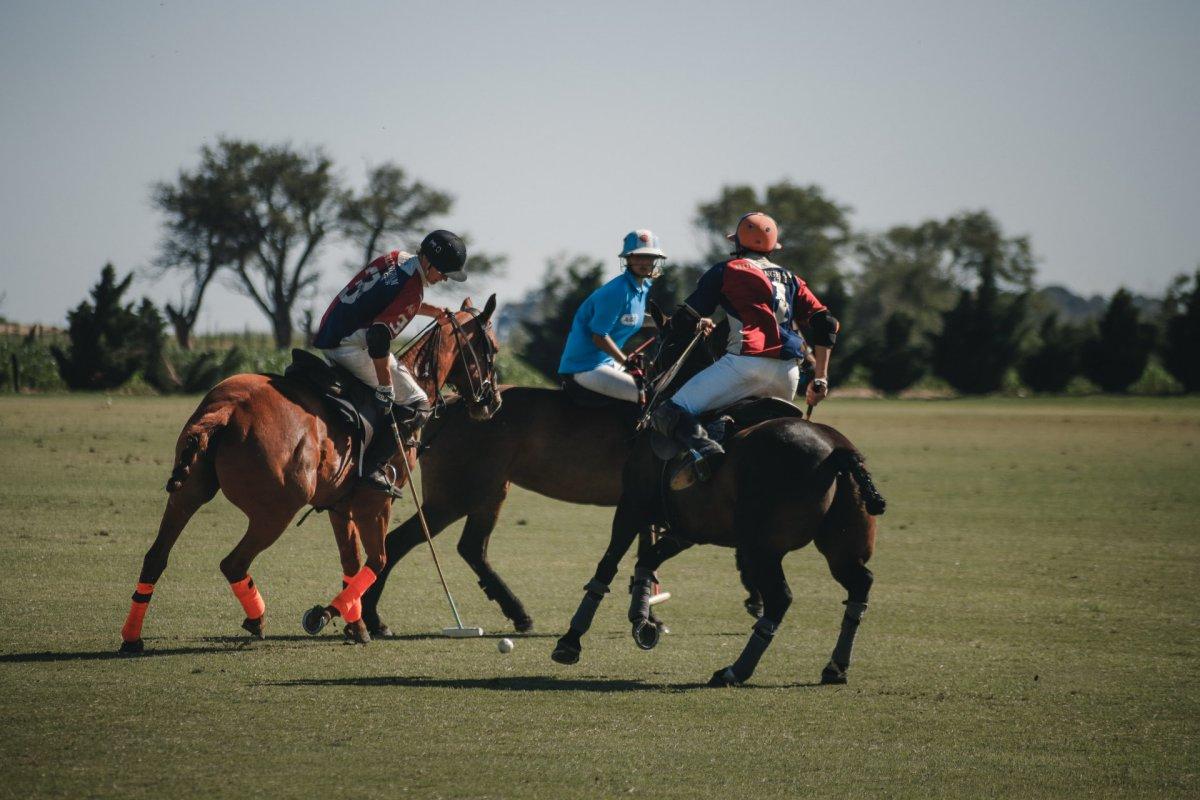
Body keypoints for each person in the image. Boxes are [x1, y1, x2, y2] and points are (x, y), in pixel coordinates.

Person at [651, 212, 839, 487]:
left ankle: (706, 451)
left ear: (738, 243)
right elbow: (827, 323)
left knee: (670, 411)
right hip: (788, 373)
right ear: (773, 246)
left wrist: (691, 323)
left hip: (744, 364)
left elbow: (686, 318)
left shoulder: (726, 270)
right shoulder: (791, 279)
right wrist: (820, 378)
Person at [312, 229, 468, 490]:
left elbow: (386, 297)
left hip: (331, 331)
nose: (444, 280)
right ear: (428, 262)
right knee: (419, 403)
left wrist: (432, 312)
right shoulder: (414, 290)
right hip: (349, 346)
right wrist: (385, 388)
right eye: (443, 273)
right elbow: (378, 338)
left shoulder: (397, 258)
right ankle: (372, 469)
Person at [557, 229, 665, 403]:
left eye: (649, 257)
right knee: (647, 396)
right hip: (585, 367)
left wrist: (676, 322)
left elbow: (632, 318)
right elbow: (599, 337)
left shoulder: (642, 287)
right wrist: (627, 363)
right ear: (628, 259)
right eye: (638, 257)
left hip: (607, 363)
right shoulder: (617, 291)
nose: (644, 262)